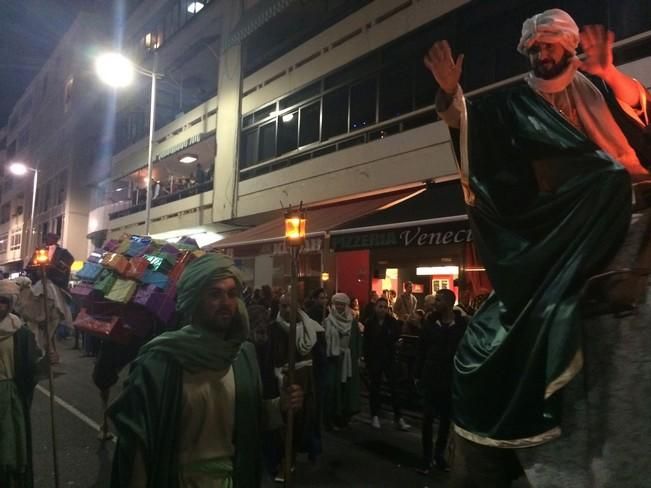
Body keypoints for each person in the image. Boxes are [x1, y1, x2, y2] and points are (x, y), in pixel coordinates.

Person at [425, 8, 651, 487]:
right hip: (551, 233)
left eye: (549, 44)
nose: (539, 52)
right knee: (505, 333)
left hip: (621, 212)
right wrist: (450, 93)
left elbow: (637, 105)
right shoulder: (514, 106)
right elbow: (472, 130)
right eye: (533, 46)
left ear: (570, 47)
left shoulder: (601, 89)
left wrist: (609, 71)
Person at [108, 253, 303, 487]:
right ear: (194, 299)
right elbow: (137, 445)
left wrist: (280, 406)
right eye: (214, 294)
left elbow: (250, 420)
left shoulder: (243, 356)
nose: (226, 303)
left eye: (232, 294)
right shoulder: (159, 361)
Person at [415, 289, 467, 474]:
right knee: (428, 419)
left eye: (438, 300)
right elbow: (422, 349)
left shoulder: (460, 325)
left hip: (449, 378)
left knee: (445, 420)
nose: (435, 303)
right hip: (431, 377)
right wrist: (418, 374)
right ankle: (426, 458)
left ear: (448, 302)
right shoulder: (430, 323)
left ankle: (439, 455)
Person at [270, 294, 323, 467]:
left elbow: (319, 356)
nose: (285, 309)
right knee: (286, 422)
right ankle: (286, 459)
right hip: (285, 381)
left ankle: (305, 451)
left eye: (289, 306)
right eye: (282, 306)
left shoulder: (311, 328)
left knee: (306, 419)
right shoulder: (275, 328)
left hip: (306, 380)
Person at [0, 280, 41, 488]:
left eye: (3, 302)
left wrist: (45, 363)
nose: (0, 306)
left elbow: (31, 367)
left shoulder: (21, 333)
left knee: (11, 447)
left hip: (10, 398)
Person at [363, 297, 410, 431]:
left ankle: (399, 417)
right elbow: (366, 343)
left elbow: (395, 337)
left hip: (389, 358)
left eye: (385, 307)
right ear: (375, 308)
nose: (382, 309)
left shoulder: (392, 322)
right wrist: (367, 359)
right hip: (375, 358)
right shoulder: (370, 323)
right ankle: (375, 415)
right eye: (380, 306)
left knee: (394, 388)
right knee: (375, 388)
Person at [322, 293, 361, 430]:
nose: (339, 307)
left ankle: (343, 417)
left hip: (347, 360)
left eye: (342, 304)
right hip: (333, 360)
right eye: (337, 304)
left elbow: (356, 341)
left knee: (346, 388)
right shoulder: (328, 321)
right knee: (332, 388)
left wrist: (357, 357)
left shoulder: (352, 322)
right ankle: (330, 418)